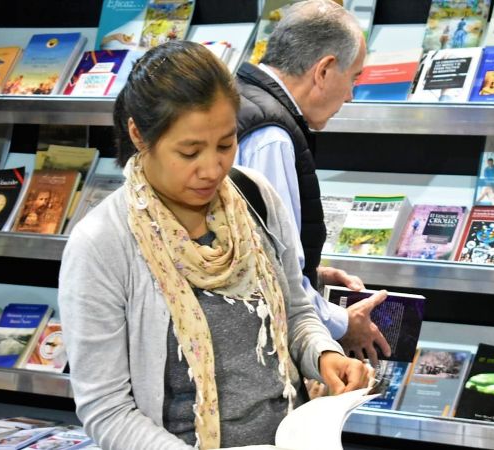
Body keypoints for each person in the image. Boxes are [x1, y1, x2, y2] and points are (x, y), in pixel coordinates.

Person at [58, 41, 371, 450]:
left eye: (225, 144)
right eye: (189, 152)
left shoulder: (253, 196)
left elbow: (296, 311)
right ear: (138, 134)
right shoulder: (103, 244)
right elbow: (107, 408)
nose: (212, 169)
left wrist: (323, 355)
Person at [236, 0, 390, 364]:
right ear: (323, 70)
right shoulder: (270, 136)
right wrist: (341, 323)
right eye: (353, 77)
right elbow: (273, 270)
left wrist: (314, 274)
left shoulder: (242, 97)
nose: (351, 95)